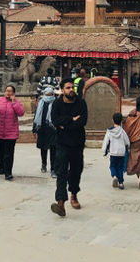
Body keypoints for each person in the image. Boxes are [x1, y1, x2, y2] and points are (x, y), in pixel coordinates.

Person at [50, 78, 88, 217]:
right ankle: (60, 202)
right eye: (68, 87)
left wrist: (65, 124)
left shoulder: (81, 103)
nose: (71, 89)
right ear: (62, 90)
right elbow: (55, 120)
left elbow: (83, 121)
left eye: (72, 87)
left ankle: (74, 194)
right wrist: (71, 119)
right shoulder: (57, 103)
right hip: (61, 143)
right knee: (61, 172)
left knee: (76, 171)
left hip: (77, 143)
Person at [0, 84, 25, 180]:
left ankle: (8, 172)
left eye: (10, 91)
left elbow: (21, 113)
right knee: (1, 151)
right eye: (7, 90)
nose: (8, 93)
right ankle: (2, 168)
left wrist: (14, 103)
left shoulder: (16, 102)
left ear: (14, 93)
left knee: (9, 153)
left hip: (11, 132)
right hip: (0, 130)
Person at [101, 112, 130, 190]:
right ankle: (121, 183)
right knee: (120, 167)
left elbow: (106, 141)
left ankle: (114, 176)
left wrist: (104, 151)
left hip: (113, 152)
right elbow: (127, 141)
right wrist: (128, 147)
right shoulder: (122, 131)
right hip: (121, 153)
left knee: (112, 166)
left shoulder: (109, 131)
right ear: (121, 121)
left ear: (112, 120)